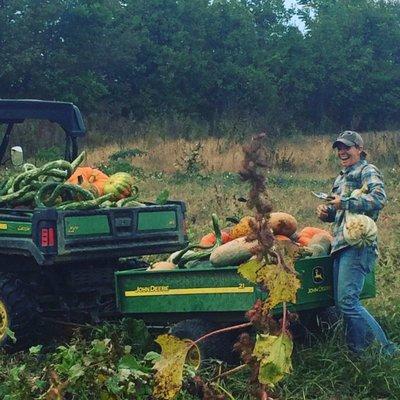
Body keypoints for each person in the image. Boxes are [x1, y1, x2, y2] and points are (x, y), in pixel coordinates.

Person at [316, 130, 398, 356]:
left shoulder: (367, 170)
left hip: (358, 246)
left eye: (347, 147)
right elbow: (341, 212)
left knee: (348, 302)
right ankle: (357, 352)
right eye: (339, 148)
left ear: (359, 149)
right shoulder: (341, 177)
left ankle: (385, 350)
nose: (342, 152)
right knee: (343, 304)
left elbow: (379, 199)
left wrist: (347, 202)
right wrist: (328, 213)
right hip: (340, 244)